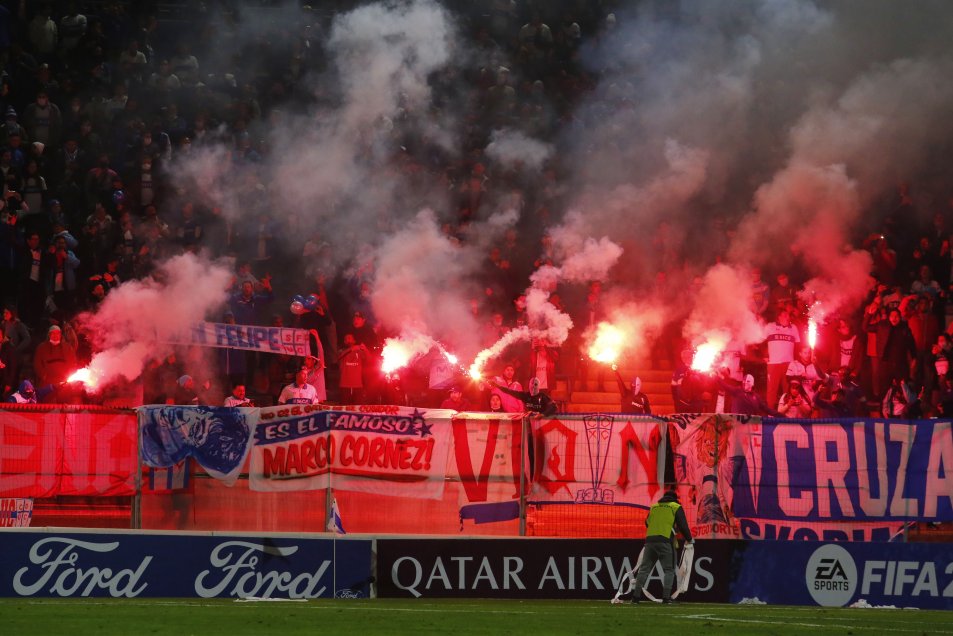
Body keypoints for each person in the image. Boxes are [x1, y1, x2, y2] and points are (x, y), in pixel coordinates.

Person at [630, 489, 693, 604]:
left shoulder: (654, 507)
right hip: (665, 541)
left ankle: (635, 597)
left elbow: (647, 523)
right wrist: (689, 539)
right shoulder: (675, 506)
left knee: (644, 569)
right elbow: (683, 525)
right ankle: (666, 597)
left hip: (650, 541)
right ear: (675, 499)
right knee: (669, 570)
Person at [490, 377, 558, 417]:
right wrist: (497, 386)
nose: (533, 386)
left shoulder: (543, 396)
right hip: (529, 424)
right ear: (529, 385)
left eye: (536, 384)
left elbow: (554, 406)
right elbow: (509, 391)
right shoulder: (525, 395)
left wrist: (542, 415)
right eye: (531, 384)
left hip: (541, 424)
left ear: (539, 386)